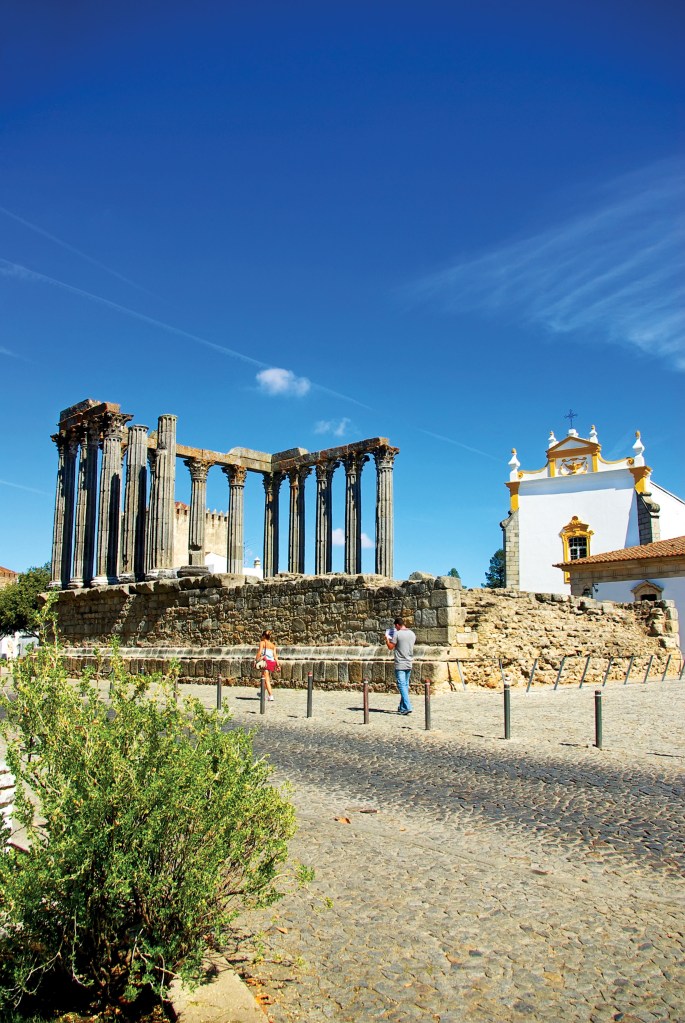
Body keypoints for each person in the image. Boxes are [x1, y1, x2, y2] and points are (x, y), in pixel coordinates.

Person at [385, 616, 416, 715]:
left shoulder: (397, 634)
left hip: (400, 663)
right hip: (409, 662)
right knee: (405, 685)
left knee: (402, 685)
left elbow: (390, 647)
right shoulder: (412, 633)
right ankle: (402, 707)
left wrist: (387, 639)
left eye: (396, 626)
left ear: (397, 625)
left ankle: (407, 706)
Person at [254, 630, 280, 701]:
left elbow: (259, 652)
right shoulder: (273, 645)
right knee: (264, 678)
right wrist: (278, 665)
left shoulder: (262, 643)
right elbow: (275, 656)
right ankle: (262, 693)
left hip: (265, 662)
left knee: (266, 679)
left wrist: (256, 661)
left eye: (262, 636)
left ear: (264, 636)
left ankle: (270, 695)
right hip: (271, 662)